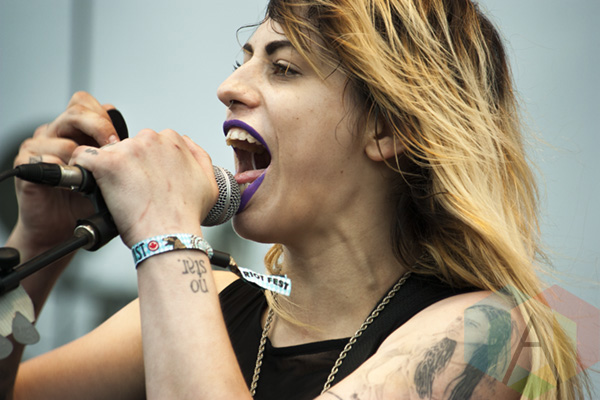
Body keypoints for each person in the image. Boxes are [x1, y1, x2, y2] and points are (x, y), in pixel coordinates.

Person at [0, 0, 590, 399]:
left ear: (389, 127)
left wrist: (165, 229)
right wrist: (35, 242)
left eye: (282, 67)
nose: (229, 87)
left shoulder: (493, 334)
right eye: (243, 61)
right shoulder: (219, 303)